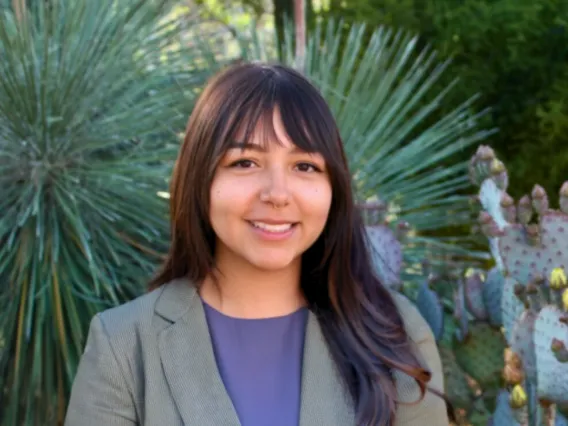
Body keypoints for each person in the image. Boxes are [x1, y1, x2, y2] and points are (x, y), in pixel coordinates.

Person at [64, 62, 451, 426]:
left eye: (305, 166)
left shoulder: (393, 333)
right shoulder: (123, 344)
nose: (277, 194)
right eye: (245, 162)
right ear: (201, 179)